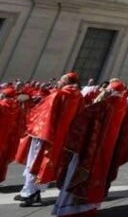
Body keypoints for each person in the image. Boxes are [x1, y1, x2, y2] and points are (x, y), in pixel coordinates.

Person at [52, 80, 128, 217]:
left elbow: (80, 122)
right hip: (108, 152)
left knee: (77, 176)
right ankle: (89, 208)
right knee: (100, 177)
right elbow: (126, 134)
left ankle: (69, 211)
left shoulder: (102, 106)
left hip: (89, 149)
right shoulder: (127, 108)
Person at [16, 72, 84, 207]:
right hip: (61, 136)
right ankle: (32, 191)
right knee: (46, 165)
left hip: (45, 134)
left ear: (66, 82)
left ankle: (30, 193)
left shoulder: (59, 94)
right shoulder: (79, 96)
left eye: (61, 79)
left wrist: (29, 105)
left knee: (35, 161)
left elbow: (43, 113)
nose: (58, 81)